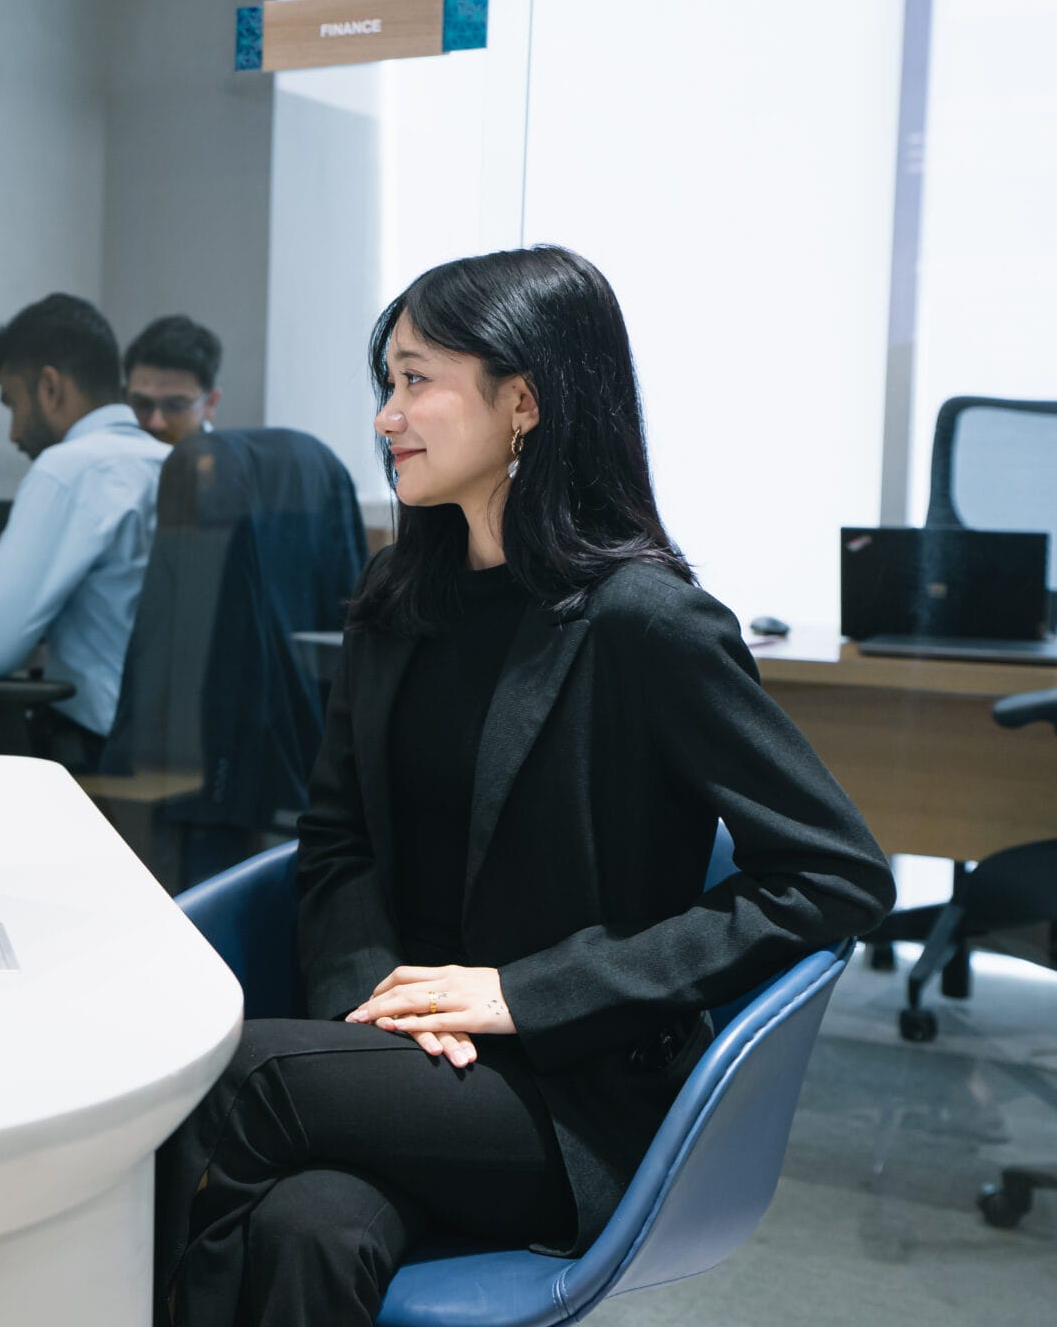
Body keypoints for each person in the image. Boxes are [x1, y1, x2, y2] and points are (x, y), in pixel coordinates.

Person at [151, 246, 895, 1326]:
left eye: (416, 381)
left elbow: (836, 876)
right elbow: (338, 841)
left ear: (523, 404)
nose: (386, 417)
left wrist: (524, 995)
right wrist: (375, 1012)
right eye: (387, 383)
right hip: (393, 1067)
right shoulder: (397, 599)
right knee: (307, 1229)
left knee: (216, 1080)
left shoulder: (647, 623)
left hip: (568, 1092)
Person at [0, 293, 172, 768]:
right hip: (174, 753)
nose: (13, 433)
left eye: (13, 403)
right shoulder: (170, 462)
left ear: (51, 388)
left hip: (96, 751)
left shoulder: (69, 470)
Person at [123, 313, 224, 445]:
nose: (155, 423)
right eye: (141, 404)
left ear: (210, 403)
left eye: (174, 406)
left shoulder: (230, 458)